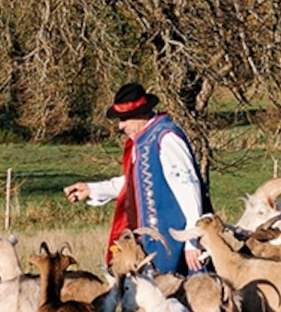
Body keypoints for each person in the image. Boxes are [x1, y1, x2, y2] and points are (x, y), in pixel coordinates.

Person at [63, 84, 206, 276]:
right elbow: (134, 183)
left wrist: (191, 240)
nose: (121, 126)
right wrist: (92, 189)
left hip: (178, 245)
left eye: (124, 119)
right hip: (153, 244)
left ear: (141, 114)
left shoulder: (166, 138)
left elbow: (189, 188)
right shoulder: (143, 141)